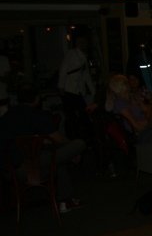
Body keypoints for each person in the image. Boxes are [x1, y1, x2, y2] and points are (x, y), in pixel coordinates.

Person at [0, 85, 87, 214]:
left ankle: (64, 201)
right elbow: (58, 139)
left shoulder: (6, 117)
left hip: (10, 169)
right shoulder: (36, 115)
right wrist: (70, 150)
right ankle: (65, 200)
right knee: (79, 144)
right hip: (29, 166)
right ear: (36, 99)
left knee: (57, 159)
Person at [57, 34, 96, 139]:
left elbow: (86, 75)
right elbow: (63, 70)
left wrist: (93, 90)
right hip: (69, 89)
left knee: (81, 115)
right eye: (81, 42)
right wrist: (61, 87)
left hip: (78, 90)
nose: (84, 44)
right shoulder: (71, 54)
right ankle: (75, 137)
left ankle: (84, 137)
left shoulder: (84, 56)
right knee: (73, 116)